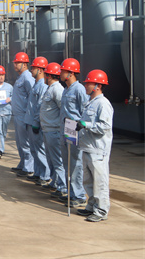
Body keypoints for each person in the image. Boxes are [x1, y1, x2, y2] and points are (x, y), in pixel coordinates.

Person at [75, 70, 113, 222]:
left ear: (98, 86)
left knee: (99, 182)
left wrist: (86, 124)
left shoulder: (103, 104)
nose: (85, 85)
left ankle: (101, 210)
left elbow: (105, 126)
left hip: (98, 150)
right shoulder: (90, 102)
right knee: (88, 181)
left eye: (88, 83)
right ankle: (91, 206)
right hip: (87, 147)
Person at [58, 58, 88, 207]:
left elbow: (85, 111)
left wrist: (81, 127)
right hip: (65, 129)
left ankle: (79, 195)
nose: (60, 74)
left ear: (70, 73)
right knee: (67, 163)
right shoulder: (66, 89)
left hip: (74, 130)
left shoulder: (79, 89)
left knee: (76, 164)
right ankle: (71, 193)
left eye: (63, 71)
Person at [23, 57, 50, 185]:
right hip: (30, 121)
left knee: (40, 150)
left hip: (35, 124)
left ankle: (45, 176)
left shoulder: (43, 86)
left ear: (40, 70)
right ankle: (38, 173)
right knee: (34, 150)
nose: (31, 70)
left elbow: (40, 107)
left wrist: (36, 123)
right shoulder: (36, 84)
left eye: (33, 68)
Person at [40, 62, 66, 195]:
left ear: (49, 76)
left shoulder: (57, 89)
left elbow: (63, 109)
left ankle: (63, 187)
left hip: (54, 130)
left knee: (57, 160)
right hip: (47, 129)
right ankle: (55, 182)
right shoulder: (50, 88)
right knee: (51, 159)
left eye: (46, 74)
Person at [11, 52, 35, 176]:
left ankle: (29, 168)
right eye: (15, 63)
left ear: (25, 64)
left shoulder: (27, 77)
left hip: (23, 115)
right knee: (20, 142)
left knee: (26, 143)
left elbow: (32, 96)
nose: (15, 65)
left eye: (17, 63)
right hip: (17, 115)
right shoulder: (20, 77)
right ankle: (22, 164)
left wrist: (29, 115)